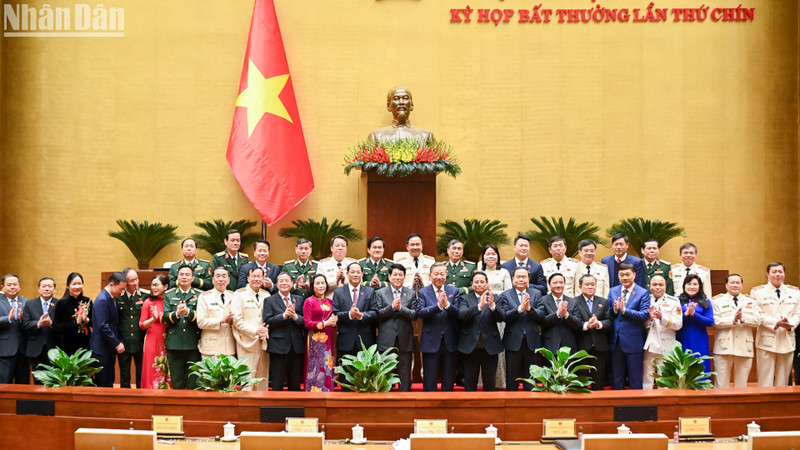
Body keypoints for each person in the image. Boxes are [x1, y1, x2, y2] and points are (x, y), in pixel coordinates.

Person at [750, 262, 800, 387]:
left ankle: (781, 405)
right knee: (765, 379)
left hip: (786, 340)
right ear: (767, 274)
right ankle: (765, 405)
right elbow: (757, 314)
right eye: (774, 272)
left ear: (784, 274)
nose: (777, 274)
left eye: (780, 272)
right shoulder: (758, 292)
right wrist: (775, 323)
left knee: (783, 380)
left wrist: (791, 324)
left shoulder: (795, 292)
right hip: (767, 340)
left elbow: (798, 313)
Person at [497, 266, 545, 391]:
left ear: (529, 279)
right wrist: (519, 309)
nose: (521, 279)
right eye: (518, 277)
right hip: (513, 342)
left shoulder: (536, 293)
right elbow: (504, 316)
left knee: (531, 379)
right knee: (512, 378)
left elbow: (541, 315)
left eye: (524, 277)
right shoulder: (505, 295)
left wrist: (529, 309)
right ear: (513, 279)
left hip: (532, 342)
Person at [417, 262, 460, 391]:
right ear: (430, 276)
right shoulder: (423, 292)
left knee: (448, 379)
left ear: (446, 275)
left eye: (442, 274)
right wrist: (437, 307)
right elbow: (420, 312)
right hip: (430, 340)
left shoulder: (454, 291)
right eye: (436, 274)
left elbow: (458, 313)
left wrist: (447, 305)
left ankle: (448, 407)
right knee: (429, 380)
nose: (439, 277)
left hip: (450, 340)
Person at [374, 264, 418, 391]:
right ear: (389, 276)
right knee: (386, 373)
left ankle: (405, 400)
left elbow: (414, 315)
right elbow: (377, 315)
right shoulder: (381, 293)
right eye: (395, 275)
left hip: (405, 339)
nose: (398, 277)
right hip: (386, 339)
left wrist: (401, 309)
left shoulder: (410, 293)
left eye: (400, 275)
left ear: (404, 277)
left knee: (404, 372)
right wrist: (391, 308)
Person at [457, 271, 503, 391]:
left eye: (482, 282)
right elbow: (462, 315)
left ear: (487, 283)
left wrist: (493, 306)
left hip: (490, 347)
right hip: (470, 347)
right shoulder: (464, 298)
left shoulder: (496, 298)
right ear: (471, 284)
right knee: (470, 383)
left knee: (489, 382)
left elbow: (501, 317)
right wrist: (479, 307)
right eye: (476, 282)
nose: (479, 284)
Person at [712, 274, 759, 388]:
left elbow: (758, 321)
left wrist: (743, 318)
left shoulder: (751, 301)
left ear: (742, 285)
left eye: (738, 283)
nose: (735, 285)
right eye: (732, 282)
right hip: (724, 347)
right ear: (726, 285)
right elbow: (715, 321)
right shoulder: (717, 301)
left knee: (742, 385)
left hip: (744, 346)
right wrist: (732, 320)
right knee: (721, 384)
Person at [609, 263, 650, 390]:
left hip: (633, 341)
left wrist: (625, 310)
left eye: (628, 274)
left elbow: (644, 314)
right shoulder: (613, 291)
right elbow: (608, 313)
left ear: (634, 275)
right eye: (622, 275)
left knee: (635, 378)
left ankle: (636, 407)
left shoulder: (642, 293)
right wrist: (615, 310)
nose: (625, 277)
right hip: (616, 341)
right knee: (617, 378)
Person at [476, 244, 511, 389]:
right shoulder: (479, 272)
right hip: (481, 313)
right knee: (481, 347)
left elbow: (508, 292)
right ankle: (481, 382)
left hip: (497, 313)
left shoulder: (503, 272)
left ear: (497, 257)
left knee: (497, 350)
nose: (491, 256)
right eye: (488, 254)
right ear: (483, 257)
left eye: (493, 254)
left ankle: (499, 382)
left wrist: (493, 295)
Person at [264, 272, 306, 391]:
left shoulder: (298, 299)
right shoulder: (269, 300)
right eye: (281, 281)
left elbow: (304, 321)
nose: (284, 283)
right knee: (277, 383)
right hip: (278, 346)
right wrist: (284, 315)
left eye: (287, 281)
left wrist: (295, 317)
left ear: (292, 284)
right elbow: (267, 321)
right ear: (276, 284)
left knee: (295, 383)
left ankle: (295, 408)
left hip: (296, 346)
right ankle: (277, 408)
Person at [163, 265, 203, 389]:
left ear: (192, 278)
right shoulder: (169, 294)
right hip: (174, 343)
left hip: (193, 343)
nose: (184, 277)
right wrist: (177, 314)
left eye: (187, 275)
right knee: (177, 381)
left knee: (193, 381)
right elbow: (165, 317)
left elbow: (202, 317)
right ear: (177, 277)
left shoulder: (200, 295)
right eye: (181, 274)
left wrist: (188, 313)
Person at [231, 266, 270, 391]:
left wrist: (265, 331)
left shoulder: (266, 295)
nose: (257, 279)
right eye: (254, 276)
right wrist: (255, 330)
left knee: (262, 380)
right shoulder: (239, 294)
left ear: (264, 278)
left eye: (260, 276)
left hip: (263, 343)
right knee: (247, 381)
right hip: (247, 342)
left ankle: (261, 408)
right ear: (248, 278)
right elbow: (237, 320)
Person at [332, 263, 377, 368]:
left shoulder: (370, 292)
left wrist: (361, 315)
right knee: (345, 379)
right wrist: (349, 314)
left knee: (365, 379)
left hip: (365, 340)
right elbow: (335, 313)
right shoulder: (339, 292)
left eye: (358, 272)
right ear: (347, 274)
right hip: (346, 340)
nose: (355, 275)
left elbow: (375, 312)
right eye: (352, 272)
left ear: (362, 274)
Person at [642, 275, 683, 390]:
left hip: (666, 345)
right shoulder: (645, 299)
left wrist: (662, 318)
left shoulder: (674, 301)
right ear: (650, 286)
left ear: (665, 287)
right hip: (649, 344)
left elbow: (678, 324)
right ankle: (647, 403)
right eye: (654, 285)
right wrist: (649, 319)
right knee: (647, 379)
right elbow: (641, 323)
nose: (657, 287)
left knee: (664, 380)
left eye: (661, 285)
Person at [573, 274, 612, 390]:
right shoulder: (574, 302)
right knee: (581, 380)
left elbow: (609, 322)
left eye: (592, 284)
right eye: (587, 284)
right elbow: (573, 323)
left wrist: (599, 324)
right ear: (580, 287)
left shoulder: (603, 302)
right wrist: (586, 325)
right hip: (581, 346)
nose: (590, 287)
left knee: (599, 380)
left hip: (599, 347)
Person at [90, 272, 128, 387]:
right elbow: (103, 326)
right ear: (111, 285)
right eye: (120, 289)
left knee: (109, 381)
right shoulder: (103, 299)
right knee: (103, 382)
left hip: (108, 348)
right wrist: (117, 343)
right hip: (101, 349)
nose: (121, 292)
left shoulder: (111, 297)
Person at [304, 273, 338, 392]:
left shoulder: (330, 301)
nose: (320, 286)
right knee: (316, 369)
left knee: (328, 367)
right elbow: (307, 323)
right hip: (315, 340)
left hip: (329, 339)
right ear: (312, 286)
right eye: (317, 283)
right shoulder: (309, 301)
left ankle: (328, 393)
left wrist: (334, 322)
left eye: (323, 283)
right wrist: (324, 323)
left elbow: (333, 321)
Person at [676, 274, 715, 375]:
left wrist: (694, 315)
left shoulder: (705, 301)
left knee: (700, 364)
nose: (692, 287)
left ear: (700, 286)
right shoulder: (677, 300)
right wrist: (686, 314)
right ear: (684, 285)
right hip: (682, 337)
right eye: (689, 284)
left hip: (699, 338)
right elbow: (674, 319)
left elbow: (710, 321)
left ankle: (702, 389)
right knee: (683, 366)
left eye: (695, 284)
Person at [367, 86, 435, 143]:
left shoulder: (426, 136)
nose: (401, 102)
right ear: (388, 106)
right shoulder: (376, 136)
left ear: (411, 105)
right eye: (396, 99)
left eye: (405, 98)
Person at [116, 268, 147, 389]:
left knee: (141, 376)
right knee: (124, 377)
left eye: (136, 279)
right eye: (131, 280)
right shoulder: (118, 297)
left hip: (140, 342)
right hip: (123, 343)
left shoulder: (145, 296)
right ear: (125, 282)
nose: (135, 283)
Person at [22, 277, 57, 381]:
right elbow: (25, 324)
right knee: (38, 380)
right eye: (44, 286)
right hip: (35, 348)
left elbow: (62, 326)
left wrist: (51, 324)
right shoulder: (30, 304)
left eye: (50, 286)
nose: (46, 289)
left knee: (54, 380)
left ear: (54, 289)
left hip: (54, 348)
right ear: (39, 289)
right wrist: (38, 323)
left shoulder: (59, 304)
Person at [196, 267, 236, 359]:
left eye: (224, 276)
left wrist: (231, 321)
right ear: (213, 280)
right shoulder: (204, 297)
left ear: (229, 280)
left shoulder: (234, 296)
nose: (221, 279)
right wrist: (220, 321)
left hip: (229, 347)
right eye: (218, 276)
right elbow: (201, 322)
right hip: (211, 348)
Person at [139, 274, 170, 389]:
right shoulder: (148, 302)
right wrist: (153, 319)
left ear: (165, 286)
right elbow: (142, 325)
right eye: (152, 285)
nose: (154, 288)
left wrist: (164, 322)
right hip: (152, 339)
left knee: (168, 369)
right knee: (152, 368)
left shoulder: (170, 301)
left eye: (157, 285)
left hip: (168, 339)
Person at [540, 273, 581, 355]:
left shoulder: (573, 302)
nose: (558, 285)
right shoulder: (542, 300)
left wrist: (566, 315)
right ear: (549, 285)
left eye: (561, 282)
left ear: (565, 284)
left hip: (569, 346)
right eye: (555, 283)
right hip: (549, 344)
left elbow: (578, 324)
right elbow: (542, 322)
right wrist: (558, 313)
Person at [54, 272, 92, 356]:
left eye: (79, 284)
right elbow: (57, 327)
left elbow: (94, 322)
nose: (77, 287)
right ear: (68, 286)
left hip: (86, 343)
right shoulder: (61, 303)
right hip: (68, 344)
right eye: (74, 284)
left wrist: (86, 320)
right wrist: (75, 322)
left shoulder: (87, 301)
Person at [0, 274, 29, 384]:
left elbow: (30, 323)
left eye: (15, 284)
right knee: (4, 385)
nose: (12, 287)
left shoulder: (27, 302)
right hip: (4, 351)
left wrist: (23, 320)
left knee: (23, 386)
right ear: (2, 287)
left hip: (23, 350)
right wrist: (8, 318)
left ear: (20, 286)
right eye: (9, 285)